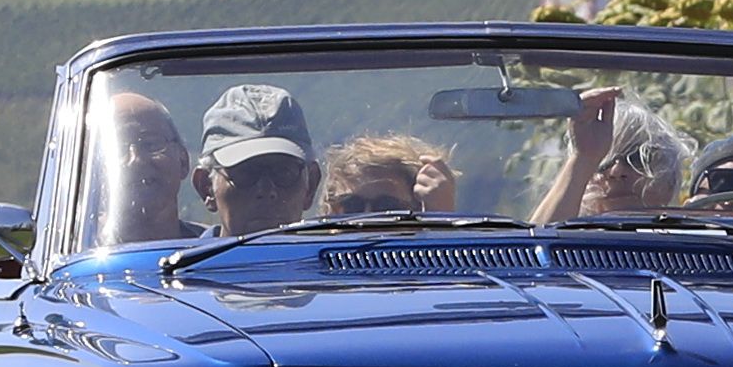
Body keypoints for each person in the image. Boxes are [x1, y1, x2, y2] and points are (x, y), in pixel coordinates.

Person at [532, 86, 692, 223]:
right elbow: (534, 251)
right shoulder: (573, 248)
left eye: (636, 158)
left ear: (669, 183)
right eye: (602, 162)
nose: (617, 172)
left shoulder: (693, 251)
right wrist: (584, 157)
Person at [190, 82, 321, 233]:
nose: (266, 190)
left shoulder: (330, 256)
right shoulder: (179, 257)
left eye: (284, 172)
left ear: (311, 185)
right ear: (206, 187)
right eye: (246, 173)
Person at [91, 92, 201, 246]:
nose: (136, 160)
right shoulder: (77, 256)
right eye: (119, 149)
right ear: (96, 172)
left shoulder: (216, 253)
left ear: (183, 160)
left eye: (151, 144)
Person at [320, 132, 459, 216]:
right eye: (351, 206)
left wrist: (439, 219)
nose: (367, 217)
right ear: (330, 211)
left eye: (386, 207)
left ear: (418, 211)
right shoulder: (306, 261)